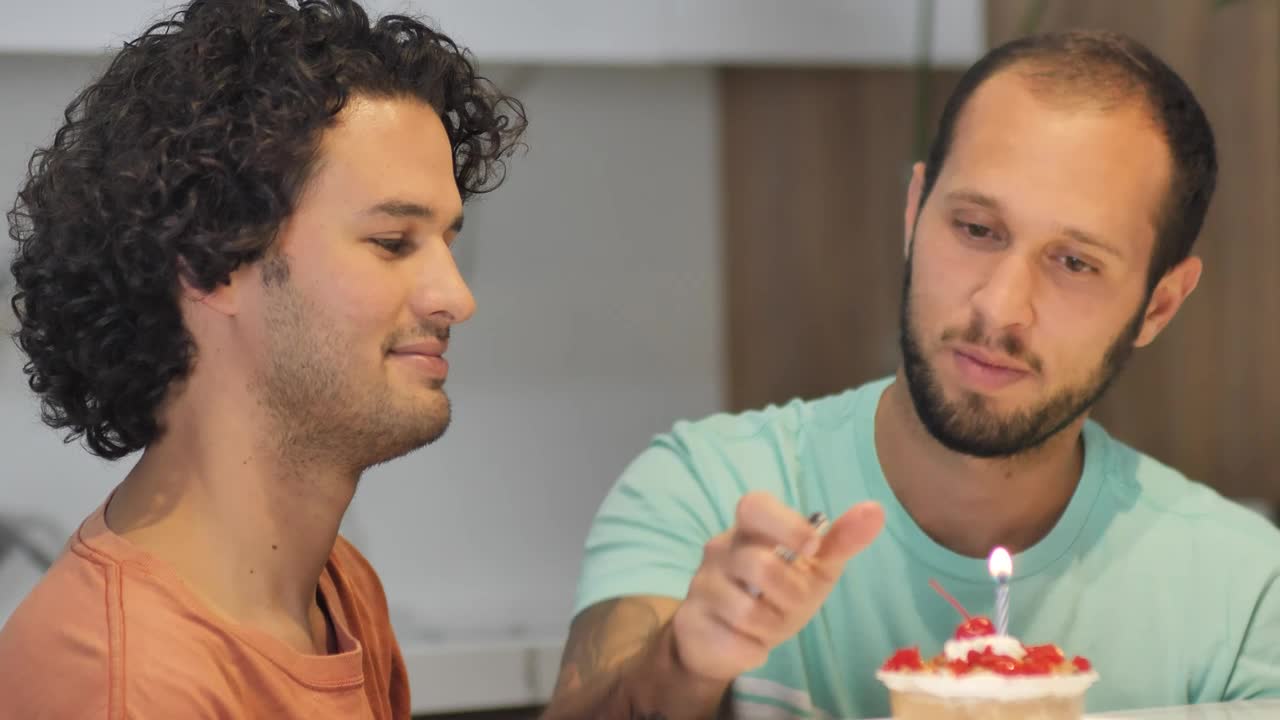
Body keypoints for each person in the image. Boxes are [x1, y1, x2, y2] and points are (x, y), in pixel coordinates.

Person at [543, 29, 1280, 720]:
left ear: (1159, 305)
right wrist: (684, 661)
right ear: (913, 211)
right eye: (976, 229)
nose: (1000, 307)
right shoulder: (709, 490)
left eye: (1075, 263)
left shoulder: (1247, 591)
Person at [0, 1, 525, 717]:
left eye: (447, 243)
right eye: (393, 242)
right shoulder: (124, 685)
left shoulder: (340, 592)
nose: (455, 298)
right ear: (211, 265)